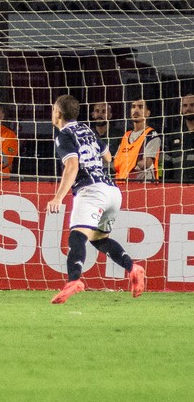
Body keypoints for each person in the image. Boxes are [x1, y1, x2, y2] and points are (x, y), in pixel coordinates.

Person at [47, 94, 146, 304]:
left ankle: (73, 281)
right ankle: (133, 267)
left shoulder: (63, 135)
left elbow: (72, 166)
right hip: (112, 191)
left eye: (54, 109)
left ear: (58, 113)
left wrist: (58, 198)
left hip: (91, 191)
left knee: (77, 237)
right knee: (98, 238)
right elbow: (108, 156)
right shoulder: (86, 130)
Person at [112, 98, 161, 182]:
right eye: (133, 107)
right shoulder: (126, 135)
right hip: (121, 184)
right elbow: (115, 164)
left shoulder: (152, 135)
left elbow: (146, 163)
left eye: (140, 107)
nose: (136, 110)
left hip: (140, 186)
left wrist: (127, 164)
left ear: (148, 113)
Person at [163, 93, 194, 183]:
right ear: (181, 109)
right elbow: (167, 167)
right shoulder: (174, 135)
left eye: (192, 105)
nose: (188, 109)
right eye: (185, 106)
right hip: (178, 189)